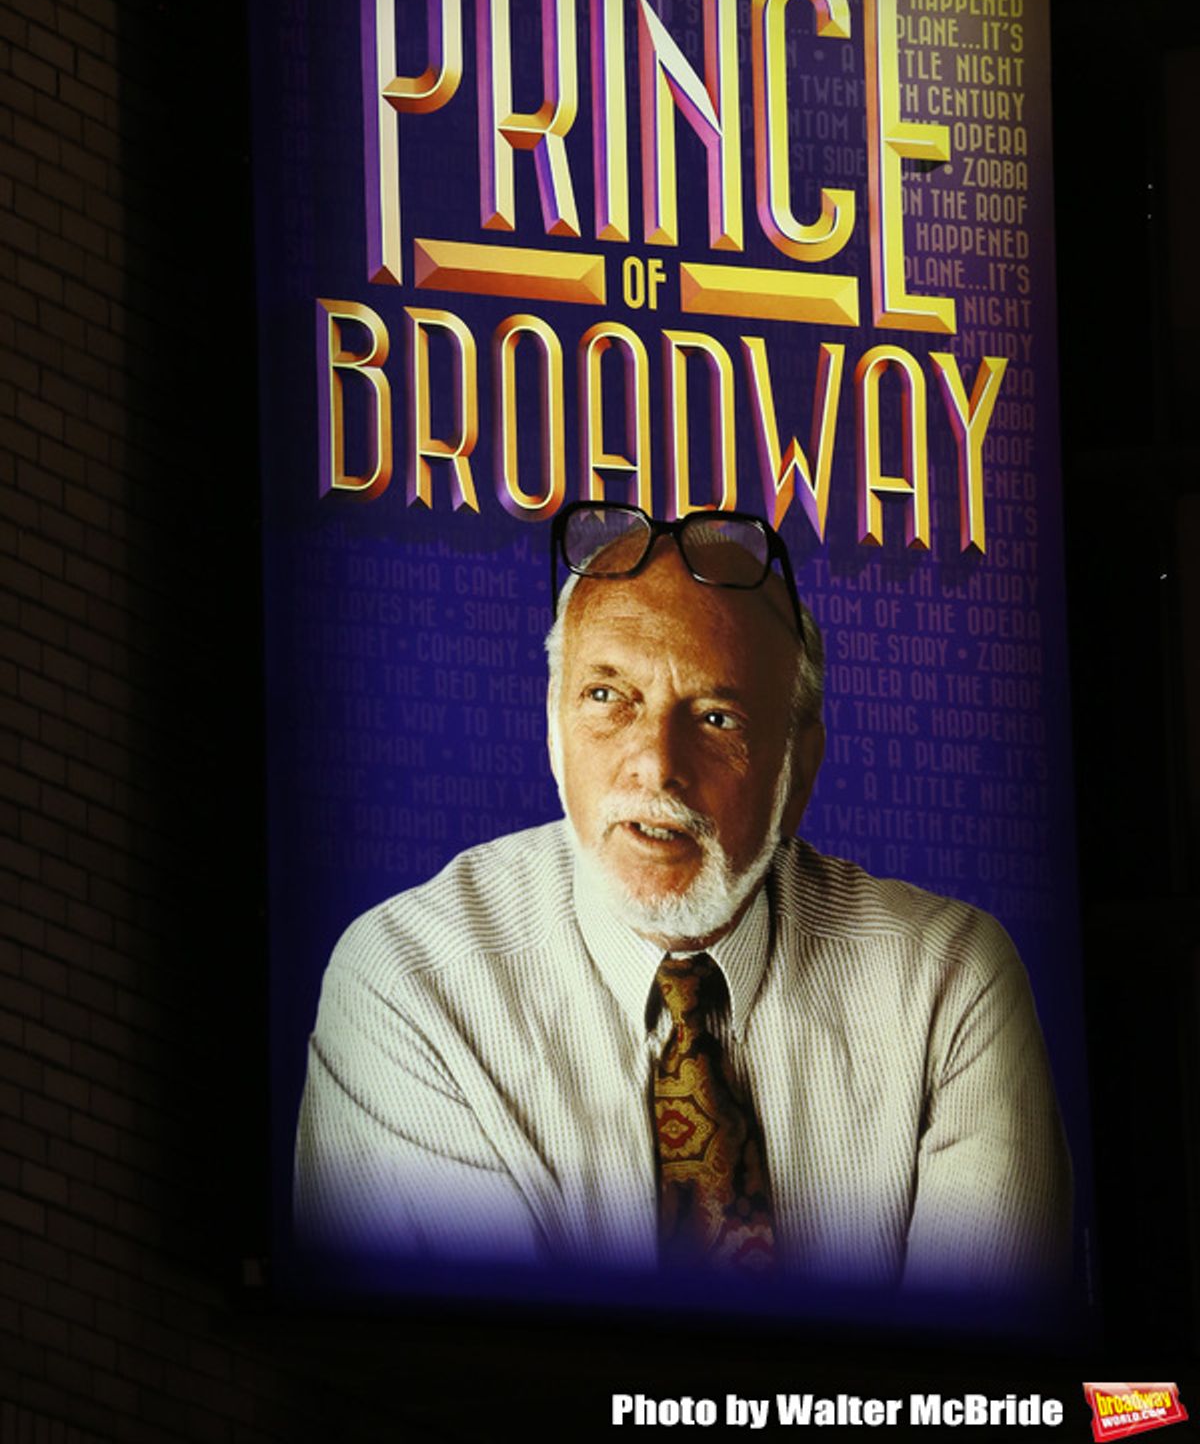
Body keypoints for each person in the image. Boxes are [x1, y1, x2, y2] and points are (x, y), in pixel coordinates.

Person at [294, 503, 1071, 1293]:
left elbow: (972, 1376)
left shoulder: (950, 983)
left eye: (714, 715)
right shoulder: (409, 981)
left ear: (797, 771)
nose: (656, 766)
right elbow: (474, 1385)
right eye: (607, 697)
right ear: (553, 729)